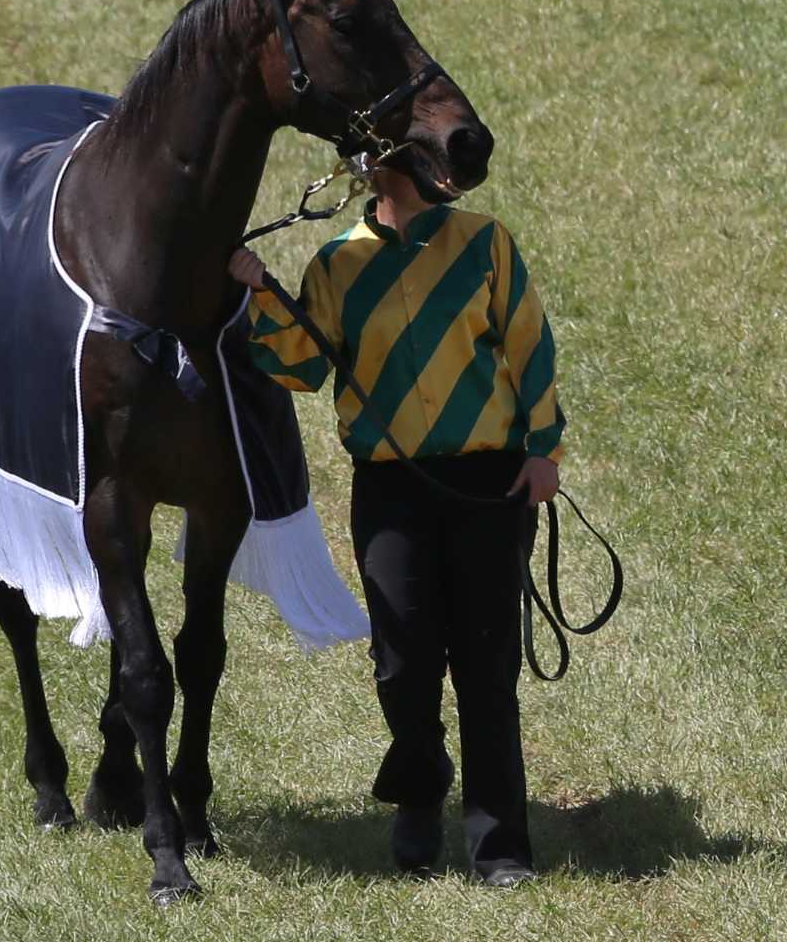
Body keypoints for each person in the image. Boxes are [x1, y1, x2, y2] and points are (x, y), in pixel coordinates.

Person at [229, 163, 562, 886]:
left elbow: (530, 342)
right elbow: (298, 367)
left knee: (486, 663)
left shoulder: (485, 244)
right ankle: (419, 785)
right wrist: (258, 292)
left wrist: (544, 449)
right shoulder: (339, 262)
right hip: (390, 486)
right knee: (402, 659)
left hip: (489, 481)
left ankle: (499, 846)